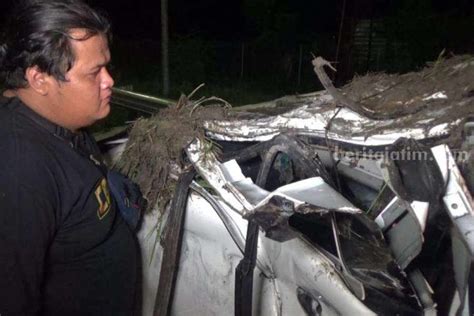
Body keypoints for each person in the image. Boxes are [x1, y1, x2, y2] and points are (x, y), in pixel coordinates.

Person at [0, 0, 141, 315]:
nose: (109, 81)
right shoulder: (19, 172)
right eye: (94, 73)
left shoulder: (64, 122)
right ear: (40, 79)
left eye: (107, 67)